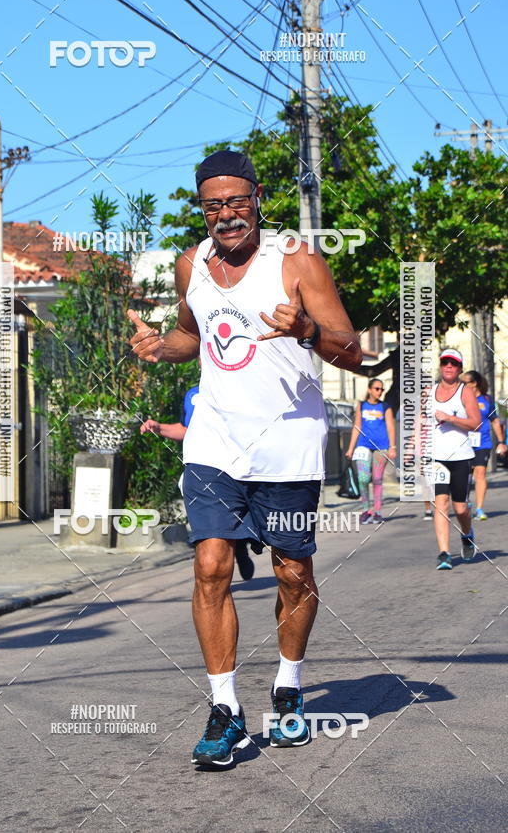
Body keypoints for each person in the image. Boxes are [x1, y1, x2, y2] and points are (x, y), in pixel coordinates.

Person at [128, 149, 361, 766]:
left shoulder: (298, 261)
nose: (226, 215)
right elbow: (193, 337)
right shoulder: (192, 265)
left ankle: (287, 689)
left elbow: (353, 352)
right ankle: (225, 709)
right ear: (201, 209)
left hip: (286, 445)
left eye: (237, 201)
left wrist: (307, 332)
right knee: (209, 567)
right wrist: (159, 346)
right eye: (213, 205)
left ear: (258, 198)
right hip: (215, 442)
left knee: (293, 573)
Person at [140, 383, 256, 580]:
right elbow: (186, 429)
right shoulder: (193, 394)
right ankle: (209, 556)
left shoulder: (244, 385)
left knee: (239, 513)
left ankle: (241, 547)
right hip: (203, 465)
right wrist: (159, 427)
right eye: (201, 355)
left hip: (239, 465)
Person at [432, 348, 481, 570]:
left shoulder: (466, 392)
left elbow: (475, 423)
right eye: (445, 363)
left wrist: (450, 418)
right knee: (441, 503)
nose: (449, 367)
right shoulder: (428, 392)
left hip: (461, 456)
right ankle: (444, 553)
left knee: (460, 508)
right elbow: (420, 422)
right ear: (441, 366)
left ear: (460, 368)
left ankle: (467, 533)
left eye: (453, 363)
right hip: (437, 457)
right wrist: (411, 448)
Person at [345, 379, 396, 524]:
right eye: (377, 389)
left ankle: (377, 511)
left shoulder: (385, 406)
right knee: (363, 478)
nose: (379, 392)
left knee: (377, 479)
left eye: (381, 389)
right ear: (369, 389)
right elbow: (357, 426)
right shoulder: (361, 406)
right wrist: (350, 448)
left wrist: (393, 447)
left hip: (381, 447)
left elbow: (391, 427)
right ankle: (365, 510)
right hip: (363, 445)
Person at [460, 370, 508, 519]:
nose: (461, 385)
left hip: (483, 443)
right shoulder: (460, 399)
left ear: (474, 383)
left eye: (464, 383)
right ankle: (465, 502)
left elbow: (494, 421)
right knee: (463, 475)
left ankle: (479, 509)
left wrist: (501, 442)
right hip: (463, 443)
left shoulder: (487, 399)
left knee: (480, 474)